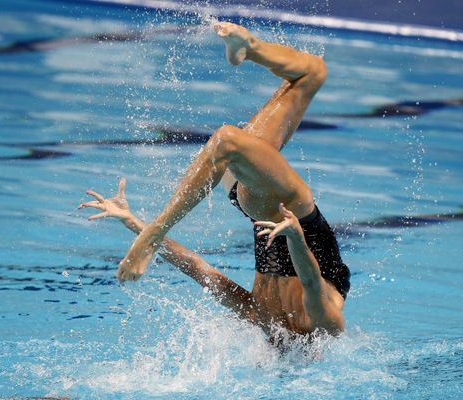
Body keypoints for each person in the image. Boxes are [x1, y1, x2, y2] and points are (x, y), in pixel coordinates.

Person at [79, 22, 350, 338]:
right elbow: (310, 281)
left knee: (227, 140)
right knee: (311, 73)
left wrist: (135, 224)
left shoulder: (262, 317)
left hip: (273, 204)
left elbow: (201, 271)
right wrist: (295, 238)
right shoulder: (324, 326)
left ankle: (155, 230)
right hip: (276, 205)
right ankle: (248, 48)